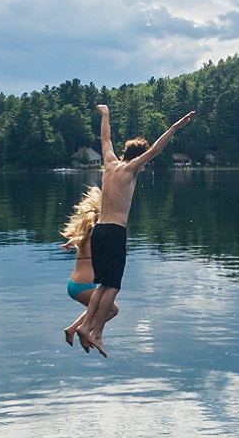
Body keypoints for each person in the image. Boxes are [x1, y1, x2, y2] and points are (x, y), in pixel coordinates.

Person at [76, 104, 195, 357]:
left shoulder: (109, 164)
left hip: (98, 231)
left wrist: (106, 113)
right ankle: (97, 333)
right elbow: (156, 149)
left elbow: (105, 138)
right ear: (138, 159)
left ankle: (86, 326)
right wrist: (175, 126)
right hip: (114, 232)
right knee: (114, 286)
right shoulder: (131, 169)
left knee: (103, 285)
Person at [59, 186, 118, 346]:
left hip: (75, 284)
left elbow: (77, 239)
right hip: (82, 287)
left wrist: (69, 243)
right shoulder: (95, 235)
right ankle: (86, 329)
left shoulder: (83, 236)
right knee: (112, 309)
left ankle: (71, 329)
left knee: (97, 307)